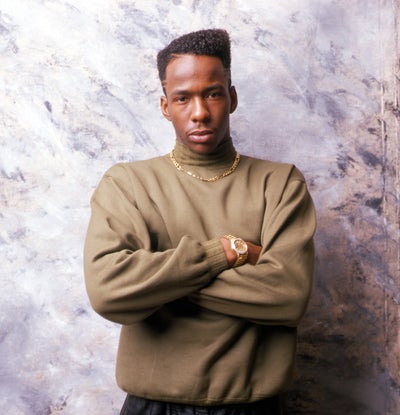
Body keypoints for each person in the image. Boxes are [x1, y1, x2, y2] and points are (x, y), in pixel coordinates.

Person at [84, 29, 316, 415]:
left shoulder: (280, 183)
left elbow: (289, 294)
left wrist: (157, 281)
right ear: (165, 106)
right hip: (151, 406)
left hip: (252, 407)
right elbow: (108, 291)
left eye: (212, 94)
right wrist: (226, 252)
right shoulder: (127, 183)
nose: (199, 112)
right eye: (183, 98)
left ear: (232, 98)